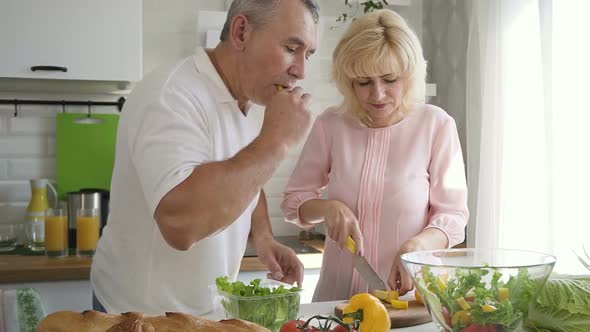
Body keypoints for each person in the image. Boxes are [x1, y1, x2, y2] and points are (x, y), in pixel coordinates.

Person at [91, 0, 319, 315]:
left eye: (307, 54)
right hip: (138, 315)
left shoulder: (254, 99)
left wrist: (263, 236)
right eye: (291, 48)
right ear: (241, 32)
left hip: (204, 314)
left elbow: (248, 173)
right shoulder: (171, 96)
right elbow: (180, 224)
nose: (301, 70)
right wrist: (276, 142)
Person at [281, 9, 468, 302]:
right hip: (337, 298)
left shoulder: (436, 125)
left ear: (409, 75)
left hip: (410, 299)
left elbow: (453, 216)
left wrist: (417, 246)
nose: (377, 94)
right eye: (364, 82)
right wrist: (328, 208)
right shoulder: (331, 124)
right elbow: (293, 202)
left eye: (390, 79)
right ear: (348, 82)